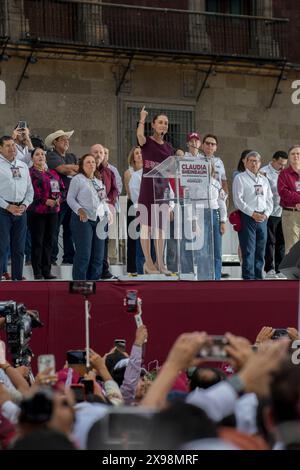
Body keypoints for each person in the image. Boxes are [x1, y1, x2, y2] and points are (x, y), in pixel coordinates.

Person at [137, 106, 174, 274]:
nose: (163, 125)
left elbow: (171, 171)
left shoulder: (169, 148)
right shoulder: (147, 142)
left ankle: (161, 262)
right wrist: (142, 118)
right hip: (147, 189)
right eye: (160, 122)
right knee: (146, 227)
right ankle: (148, 263)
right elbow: (139, 136)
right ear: (153, 125)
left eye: (166, 123)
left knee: (161, 229)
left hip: (162, 190)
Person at [67, 154, 111, 280]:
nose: (91, 164)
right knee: (84, 254)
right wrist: (79, 210)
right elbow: (70, 198)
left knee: (98, 255)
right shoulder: (78, 179)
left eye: (93, 162)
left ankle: (94, 283)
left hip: (100, 219)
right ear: (82, 165)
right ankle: (79, 284)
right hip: (83, 219)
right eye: (88, 162)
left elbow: (103, 200)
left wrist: (108, 213)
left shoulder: (98, 180)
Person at [233, 151, 273, 280]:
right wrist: (252, 213)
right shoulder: (240, 178)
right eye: (251, 161)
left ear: (260, 163)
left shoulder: (264, 179)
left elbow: (270, 200)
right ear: (245, 162)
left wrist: (266, 214)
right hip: (247, 217)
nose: (254, 163)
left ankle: (258, 277)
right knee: (249, 250)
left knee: (260, 250)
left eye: (256, 161)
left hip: (263, 218)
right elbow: (238, 200)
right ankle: (248, 279)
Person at [0, 136, 34, 280]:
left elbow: (30, 190)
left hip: (21, 211)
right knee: (2, 247)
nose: (12, 148)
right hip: (3, 211)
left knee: (19, 248)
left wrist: (25, 204)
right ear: (0, 148)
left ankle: (17, 278)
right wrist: (8, 206)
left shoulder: (23, 165)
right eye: (8, 145)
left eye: (13, 145)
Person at [27, 147, 64, 279]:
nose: (40, 156)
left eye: (42, 154)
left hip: (53, 212)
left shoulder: (52, 173)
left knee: (49, 242)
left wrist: (59, 199)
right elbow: (29, 192)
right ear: (32, 158)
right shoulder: (29, 173)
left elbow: (62, 189)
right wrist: (44, 201)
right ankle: (37, 272)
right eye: (37, 154)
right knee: (38, 242)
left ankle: (46, 271)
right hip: (37, 212)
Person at [46, 129, 78, 265]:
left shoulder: (71, 156)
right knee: (54, 228)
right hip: (59, 198)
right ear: (55, 142)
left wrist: (71, 168)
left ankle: (69, 258)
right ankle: (52, 258)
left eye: (67, 139)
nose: (67, 141)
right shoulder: (51, 155)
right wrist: (72, 169)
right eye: (63, 139)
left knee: (70, 229)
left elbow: (79, 170)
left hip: (73, 199)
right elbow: (63, 169)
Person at [90, 143, 119, 279]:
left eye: (100, 152)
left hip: (104, 212)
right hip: (90, 212)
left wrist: (109, 202)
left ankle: (104, 270)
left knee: (103, 242)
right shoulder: (85, 170)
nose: (98, 155)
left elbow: (114, 189)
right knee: (90, 242)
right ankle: (92, 271)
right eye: (95, 152)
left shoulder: (109, 172)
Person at [261, 151, 288, 278]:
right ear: (273, 160)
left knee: (281, 242)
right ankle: (269, 268)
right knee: (270, 241)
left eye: (284, 164)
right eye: (280, 163)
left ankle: (280, 268)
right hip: (269, 212)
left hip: (283, 211)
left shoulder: (285, 173)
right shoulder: (263, 171)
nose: (282, 167)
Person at [124, 146, 143, 274]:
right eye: (136, 153)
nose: (139, 155)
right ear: (133, 157)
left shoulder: (148, 171)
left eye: (141, 153)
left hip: (147, 204)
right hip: (133, 205)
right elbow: (130, 193)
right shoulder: (128, 172)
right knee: (133, 236)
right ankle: (132, 268)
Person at [277, 145, 300, 253]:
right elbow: (283, 192)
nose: (296, 156)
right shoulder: (284, 174)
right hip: (291, 215)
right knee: (292, 249)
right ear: (289, 158)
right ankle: (294, 271)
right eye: (293, 154)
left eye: (298, 153)